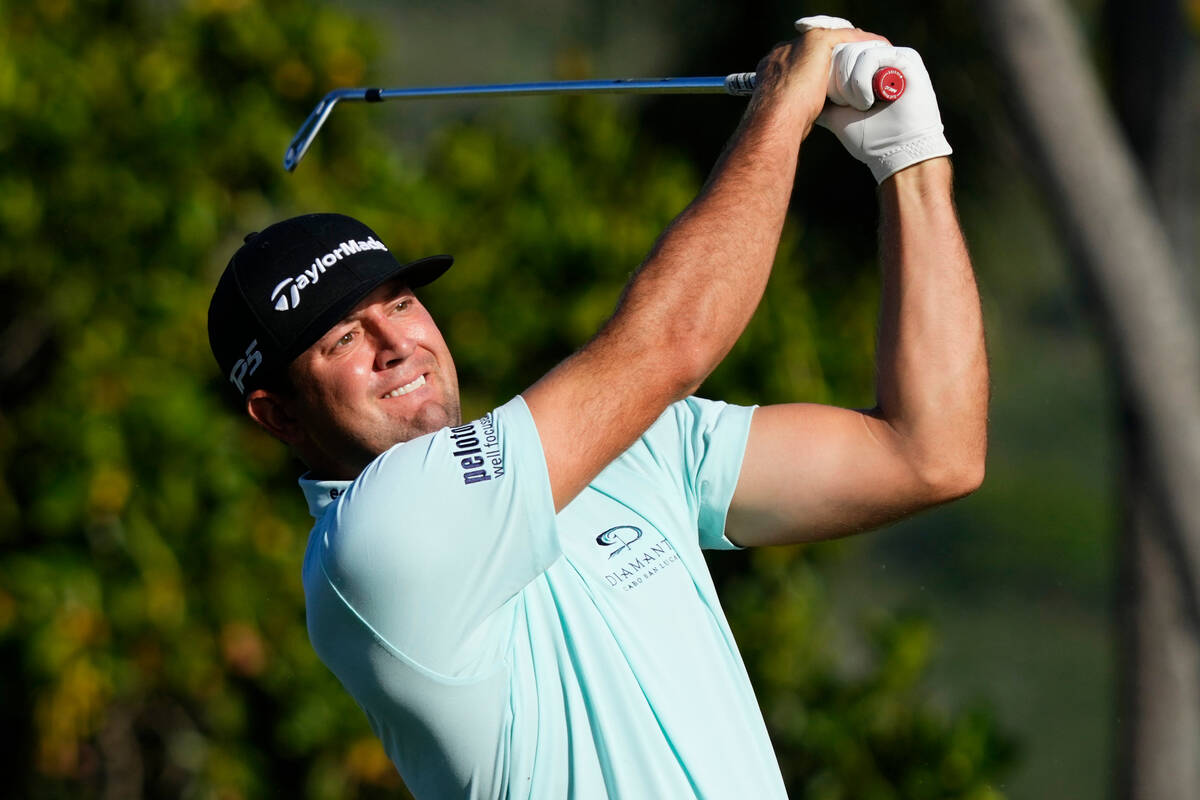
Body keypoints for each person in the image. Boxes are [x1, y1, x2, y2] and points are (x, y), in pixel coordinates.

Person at [206, 15, 986, 799]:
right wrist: (785, 101)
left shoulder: (627, 447)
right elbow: (674, 344)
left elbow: (929, 454)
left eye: (401, 303)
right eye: (342, 338)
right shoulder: (370, 543)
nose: (396, 342)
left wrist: (909, 156)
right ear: (277, 415)